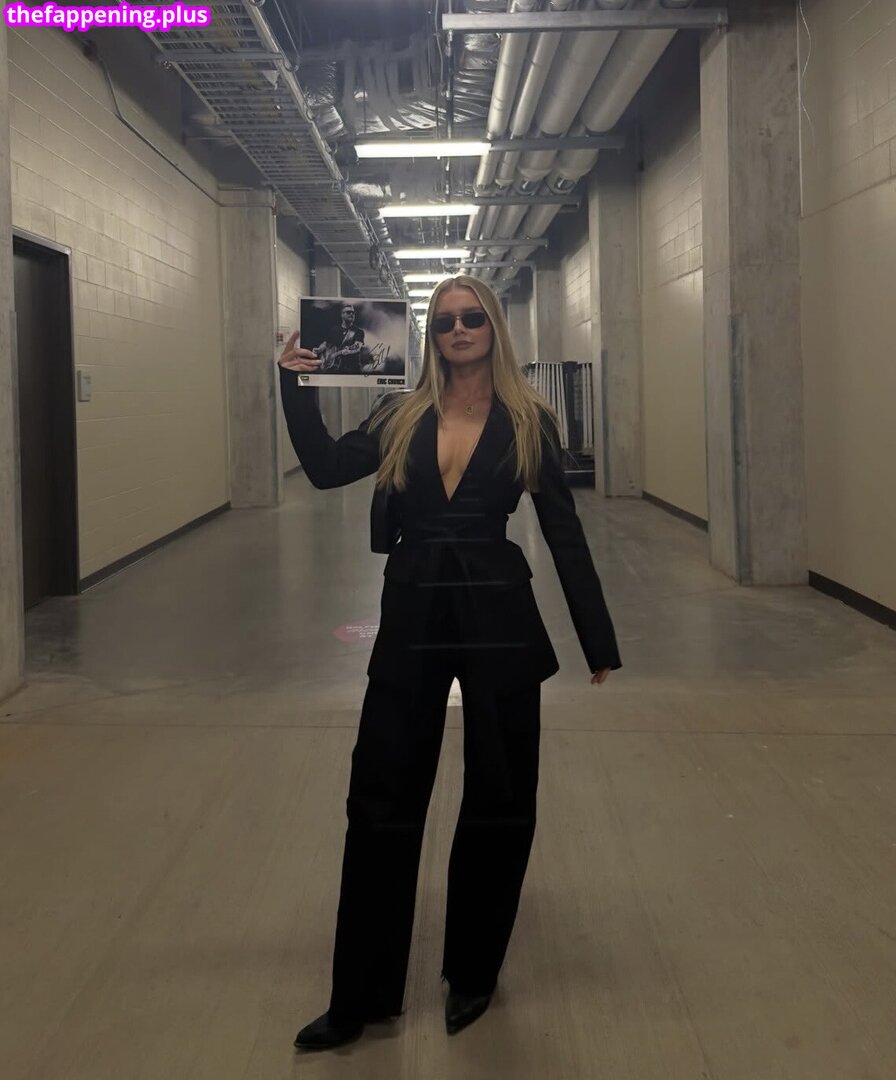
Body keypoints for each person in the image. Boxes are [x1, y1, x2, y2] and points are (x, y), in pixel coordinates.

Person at [278, 274, 621, 1051]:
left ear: (493, 327)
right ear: (429, 337)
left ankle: (473, 971)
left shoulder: (529, 420)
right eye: (443, 322)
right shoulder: (399, 414)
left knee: (501, 799)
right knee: (379, 799)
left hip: (500, 617)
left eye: (471, 318)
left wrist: (596, 640)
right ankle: (360, 994)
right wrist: (293, 383)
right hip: (413, 612)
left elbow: (563, 531)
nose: (458, 330)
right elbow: (327, 467)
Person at [311, 302, 372, 374]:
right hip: (334, 369)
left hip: (351, 369)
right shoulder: (334, 330)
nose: (351, 314)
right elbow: (326, 343)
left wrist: (348, 350)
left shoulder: (359, 332)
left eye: (353, 313)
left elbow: (357, 346)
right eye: (348, 312)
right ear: (342, 314)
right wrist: (320, 349)